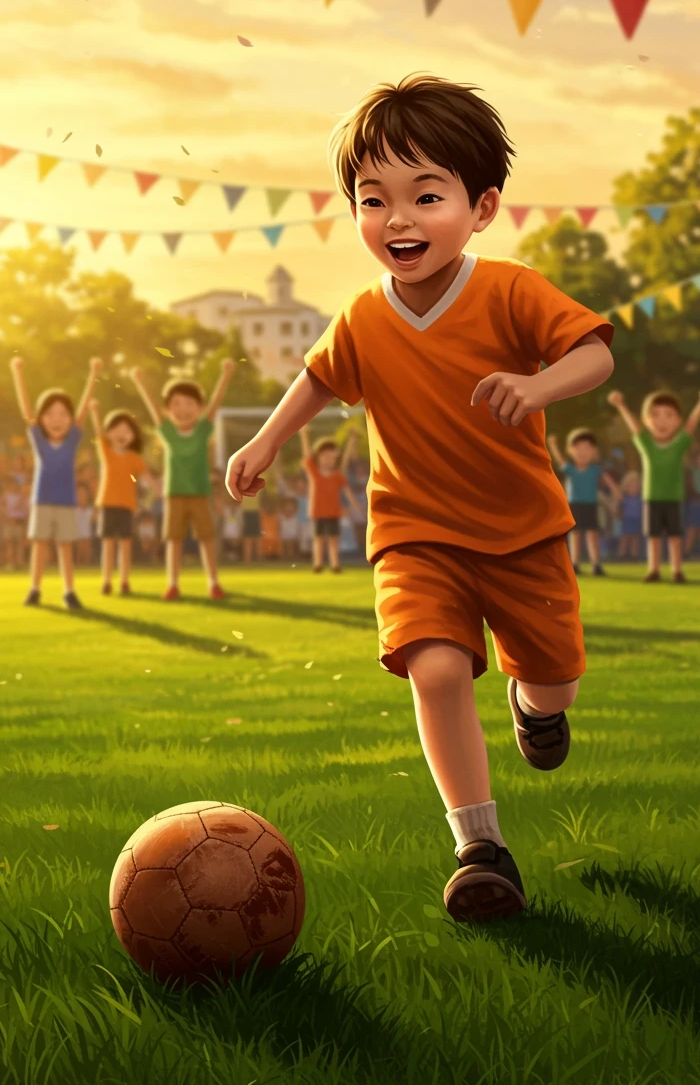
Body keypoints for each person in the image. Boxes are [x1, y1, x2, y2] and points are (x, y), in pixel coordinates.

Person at [225, 73, 615, 921]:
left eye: (424, 195)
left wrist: (539, 385)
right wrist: (265, 440)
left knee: (553, 678)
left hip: (523, 536)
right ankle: (481, 848)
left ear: (480, 207)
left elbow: (595, 355)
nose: (397, 220)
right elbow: (317, 379)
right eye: (375, 200)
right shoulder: (363, 315)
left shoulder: (511, 290)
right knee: (434, 668)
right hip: (414, 534)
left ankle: (535, 708)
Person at [130, 360, 234, 600]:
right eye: (175, 404)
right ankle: (173, 584)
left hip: (199, 492)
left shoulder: (202, 430)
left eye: (189, 404)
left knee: (207, 539)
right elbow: (152, 408)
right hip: (174, 493)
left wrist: (225, 375)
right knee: (173, 540)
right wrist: (140, 382)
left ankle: (213, 583)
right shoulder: (167, 432)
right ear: (168, 410)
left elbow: (216, 403)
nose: (183, 409)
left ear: (199, 408)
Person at [10, 355, 102, 608]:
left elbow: (83, 410)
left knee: (65, 547)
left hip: (66, 501)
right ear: (41, 419)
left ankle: (69, 591)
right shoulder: (38, 439)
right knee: (39, 545)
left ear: (70, 419)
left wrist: (93, 374)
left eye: (63, 414)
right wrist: (17, 373)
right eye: (50, 414)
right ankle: (34, 588)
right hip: (42, 500)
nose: (57, 419)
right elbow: (26, 411)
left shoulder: (72, 440)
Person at [607, 387, 700, 582]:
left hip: (674, 497)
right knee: (653, 536)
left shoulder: (679, 444)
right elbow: (634, 427)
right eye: (655, 415)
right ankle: (654, 569)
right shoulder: (646, 444)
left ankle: (676, 570)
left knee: (675, 536)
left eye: (669, 416)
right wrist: (621, 405)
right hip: (652, 497)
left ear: (678, 420)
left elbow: (692, 424)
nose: (662, 421)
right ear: (646, 419)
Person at [89, 400, 155, 595]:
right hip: (108, 504)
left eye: (127, 431)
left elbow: (147, 477)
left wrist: (160, 489)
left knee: (125, 545)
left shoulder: (134, 458)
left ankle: (125, 581)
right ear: (109, 433)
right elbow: (98, 433)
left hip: (127, 505)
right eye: (117, 429)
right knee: (108, 545)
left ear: (134, 436)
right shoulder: (106, 452)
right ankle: (107, 581)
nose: (121, 434)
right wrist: (95, 411)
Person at [547, 429, 619, 576]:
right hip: (574, 505)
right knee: (575, 534)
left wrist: (616, 492)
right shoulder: (571, 469)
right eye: (578, 448)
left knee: (593, 533)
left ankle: (596, 563)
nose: (582, 452)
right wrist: (553, 445)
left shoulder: (595, 469)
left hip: (590, 505)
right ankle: (575, 563)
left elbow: (608, 481)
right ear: (570, 451)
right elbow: (560, 460)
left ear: (594, 451)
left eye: (587, 448)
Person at [300, 424, 362, 573]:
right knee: (319, 539)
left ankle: (335, 564)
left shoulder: (337, 476)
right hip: (318, 512)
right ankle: (317, 564)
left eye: (331, 457)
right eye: (325, 456)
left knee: (334, 539)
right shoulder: (314, 473)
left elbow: (347, 492)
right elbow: (307, 454)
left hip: (334, 512)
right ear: (319, 458)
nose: (328, 460)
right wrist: (304, 436)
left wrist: (356, 506)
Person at [617, 470, 643, 560]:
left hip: (637, 520)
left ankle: (634, 554)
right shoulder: (624, 498)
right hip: (627, 519)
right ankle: (622, 554)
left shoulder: (641, 499)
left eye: (636, 486)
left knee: (635, 538)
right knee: (625, 537)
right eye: (631, 486)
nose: (634, 488)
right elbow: (619, 508)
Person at [75, 481, 96, 566]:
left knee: (86, 542)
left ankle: (87, 562)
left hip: (89, 538)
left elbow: (96, 519)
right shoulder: (73, 510)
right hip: (75, 538)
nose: (81, 496)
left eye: (84, 494)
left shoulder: (90, 510)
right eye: (79, 494)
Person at [279, 495, 300, 561]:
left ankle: (291, 557)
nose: (289, 509)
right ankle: (282, 557)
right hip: (283, 536)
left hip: (292, 536)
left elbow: (297, 529)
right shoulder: (281, 517)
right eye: (287, 507)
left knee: (290, 545)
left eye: (291, 507)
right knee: (282, 544)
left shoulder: (295, 518)